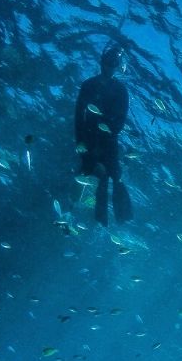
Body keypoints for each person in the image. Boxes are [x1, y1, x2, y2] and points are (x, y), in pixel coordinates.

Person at [74, 43, 133, 226]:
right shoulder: (88, 85)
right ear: (101, 62)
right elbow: (78, 116)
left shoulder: (121, 90)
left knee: (114, 176)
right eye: (108, 61)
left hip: (109, 140)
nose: (109, 66)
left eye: (114, 63)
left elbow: (121, 119)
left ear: (117, 66)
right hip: (88, 137)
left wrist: (108, 134)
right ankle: (97, 219)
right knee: (96, 174)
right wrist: (81, 142)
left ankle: (117, 218)